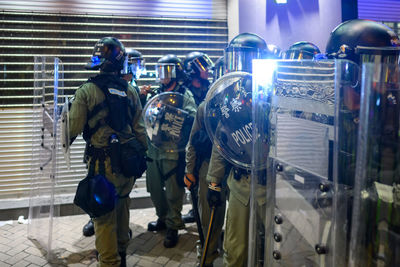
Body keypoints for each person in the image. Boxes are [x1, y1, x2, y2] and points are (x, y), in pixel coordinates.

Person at [69, 37, 147, 267]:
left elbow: (72, 128)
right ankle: (121, 253)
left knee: (103, 217)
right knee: (122, 206)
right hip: (127, 164)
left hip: (101, 165)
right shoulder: (130, 90)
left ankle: (109, 262)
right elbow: (140, 129)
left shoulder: (86, 91)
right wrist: (144, 157)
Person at [205, 33, 281, 266]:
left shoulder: (278, 93)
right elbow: (222, 141)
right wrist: (213, 182)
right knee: (236, 250)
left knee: (274, 250)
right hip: (241, 185)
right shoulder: (233, 98)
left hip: (273, 187)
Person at [82, 47, 147, 238]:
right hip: (101, 150)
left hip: (124, 152)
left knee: (120, 195)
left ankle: (117, 236)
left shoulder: (131, 88)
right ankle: (103, 227)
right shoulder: (102, 88)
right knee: (101, 194)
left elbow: (137, 123)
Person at [145, 54, 197, 248]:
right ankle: (162, 218)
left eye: (166, 71)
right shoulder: (156, 93)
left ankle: (174, 225)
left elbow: (192, 117)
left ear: (176, 72)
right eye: (160, 71)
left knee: (174, 191)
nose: (162, 76)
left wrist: (171, 115)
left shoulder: (184, 94)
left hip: (172, 150)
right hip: (153, 150)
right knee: (154, 188)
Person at [183, 52, 228, 267]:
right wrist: (189, 170)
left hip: (237, 172)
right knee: (210, 218)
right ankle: (207, 257)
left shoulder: (247, 105)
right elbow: (193, 141)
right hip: (208, 168)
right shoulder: (205, 106)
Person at [181, 51, 214, 224]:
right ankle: (195, 209)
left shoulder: (209, 88)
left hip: (203, 142)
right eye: (202, 66)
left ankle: (201, 211)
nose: (207, 70)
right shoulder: (184, 92)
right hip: (188, 142)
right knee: (190, 177)